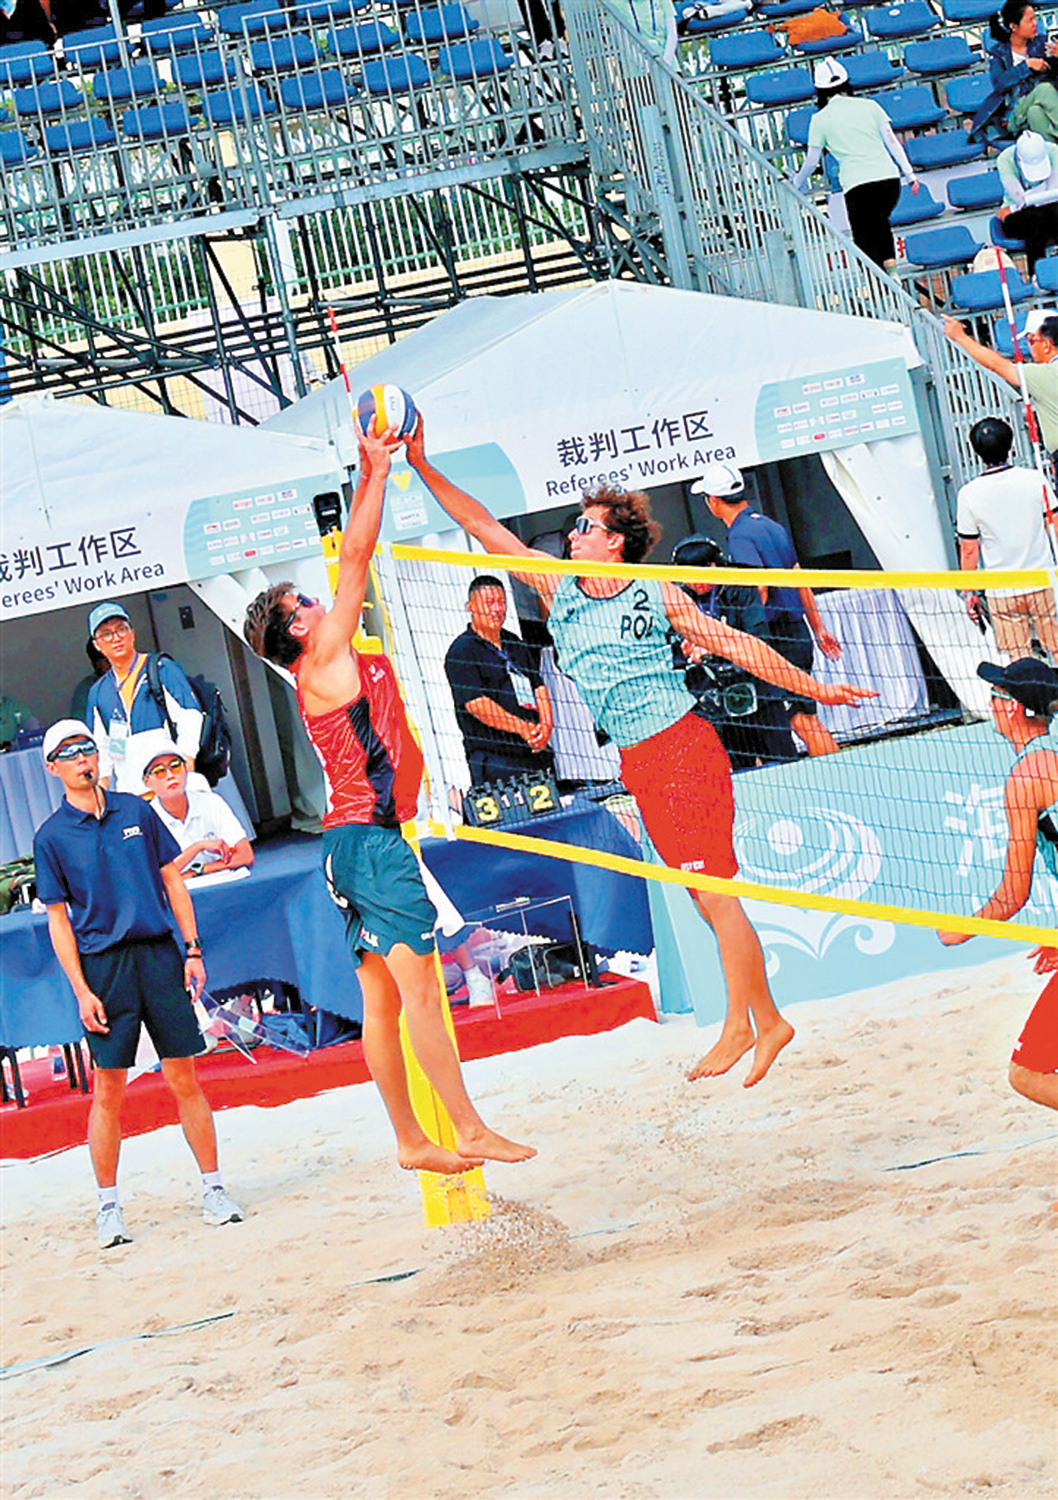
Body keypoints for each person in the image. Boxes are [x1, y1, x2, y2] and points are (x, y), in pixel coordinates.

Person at [405, 417, 877, 1087]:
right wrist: (422, 464)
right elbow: (481, 524)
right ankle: (765, 1019)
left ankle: (747, 1024)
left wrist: (818, 690)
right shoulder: (555, 585)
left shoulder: (656, 591)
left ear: (615, 544)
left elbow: (741, 645)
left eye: (585, 528)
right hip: (637, 762)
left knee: (714, 892)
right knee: (703, 897)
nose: (573, 534)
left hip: (683, 748)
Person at [242, 419, 534, 1174]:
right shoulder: (323, 657)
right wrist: (372, 472)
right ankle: (466, 1129)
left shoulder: (325, 664)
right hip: (371, 844)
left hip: (352, 845)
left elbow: (353, 572)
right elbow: (356, 558)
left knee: (384, 1001)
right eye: (305, 600)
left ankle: (410, 1140)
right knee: (422, 994)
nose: (320, 600)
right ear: (296, 627)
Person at [32, 720, 243, 1249]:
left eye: (87, 749)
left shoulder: (135, 811)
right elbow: (58, 920)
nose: (82, 759)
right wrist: (81, 990)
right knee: (109, 1087)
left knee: (184, 1076)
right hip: (104, 966)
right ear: (52, 768)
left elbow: (172, 879)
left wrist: (192, 948)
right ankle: (108, 1207)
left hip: (157, 954)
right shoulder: (51, 837)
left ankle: (214, 1190)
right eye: (69, 754)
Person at [938, 659, 1058, 1115]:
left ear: (1014, 708)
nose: (989, 704)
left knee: (1029, 1072)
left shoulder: (1027, 778)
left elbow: (1013, 893)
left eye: (996, 696)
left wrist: (962, 929)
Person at [696, 462, 844, 757]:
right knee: (802, 716)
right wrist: (818, 628)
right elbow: (800, 579)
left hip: (776, 637)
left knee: (801, 720)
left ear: (713, 501)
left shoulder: (740, 535)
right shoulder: (771, 525)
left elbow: (758, 587)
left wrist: (744, 637)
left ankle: (839, 772)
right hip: (796, 632)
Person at [670, 533, 798, 771]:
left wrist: (712, 646)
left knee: (784, 765)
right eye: (687, 576)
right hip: (715, 703)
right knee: (739, 772)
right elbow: (672, 653)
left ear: (715, 566)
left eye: (701, 574)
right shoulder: (675, 599)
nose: (696, 583)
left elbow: (758, 637)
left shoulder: (739, 588)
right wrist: (684, 651)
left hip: (759, 694)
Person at [791, 57, 919, 271]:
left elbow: (812, 160)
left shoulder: (820, 119)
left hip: (858, 184)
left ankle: (881, 280)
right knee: (880, 221)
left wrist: (796, 182)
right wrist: (910, 174)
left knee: (864, 237)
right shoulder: (870, 106)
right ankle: (891, 268)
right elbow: (892, 142)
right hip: (889, 180)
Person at [956, 415, 1058, 660]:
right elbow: (1055, 526)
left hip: (1002, 590)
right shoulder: (1035, 480)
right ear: (1011, 446)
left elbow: (969, 550)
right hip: (1042, 581)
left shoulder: (968, 494)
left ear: (976, 452)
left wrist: (968, 592)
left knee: (1018, 659)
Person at [444, 573, 555, 788]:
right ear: (470, 607)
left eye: (502, 602)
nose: (497, 609)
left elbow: (538, 685)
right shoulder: (461, 651)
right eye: (489, 602)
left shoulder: (514, 642)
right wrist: (523, 729)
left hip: (534, 751)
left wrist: (546, 727)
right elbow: (476, 705)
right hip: (495, 760)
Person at [85, 602, 203, 793]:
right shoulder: (99, 692)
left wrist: (185, 767)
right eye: (106, 634)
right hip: (131, 792)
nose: (116, 638)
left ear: (132, 634)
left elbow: (190, 717)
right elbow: (101, 747)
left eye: (121, 629)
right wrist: (101, 794)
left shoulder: (160, 668)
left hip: (171, 787)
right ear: (97, 645)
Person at [131, 730, 254, 880]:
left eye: (175, 766)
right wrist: (198, 847)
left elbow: (245, 855)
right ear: (147, 781)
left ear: (185, 770)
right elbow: (153, 875)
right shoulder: (145, 819)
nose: (170, 775)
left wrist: (198, 871)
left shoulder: (211, 802)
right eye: (159, 771)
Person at [944, 309, 1058, 461]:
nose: (1030, 348)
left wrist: (960, 337)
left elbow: (996, 364)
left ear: (1047, 345)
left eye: (1031, 341)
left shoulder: (1044, 374)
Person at [971, 0, 1051, 143]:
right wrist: (1026, 66)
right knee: (1044, 89)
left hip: (1041, 109)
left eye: (1035, 19)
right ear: (1013, 26)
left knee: (1036, 113)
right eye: (1030, 20)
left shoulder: (1042, 44)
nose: (1035, 24)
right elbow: (1000, 84)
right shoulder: (999, 53)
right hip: (1015, 113)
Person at [996, 130, 1058, 274]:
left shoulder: (1054, 151)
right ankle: (1038, 274)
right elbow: (1020, 198)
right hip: (1019, 213)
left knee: (1051, 214)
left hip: (1048, 208)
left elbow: (1053, 191)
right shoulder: (1004, 159)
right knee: (1033, 219)